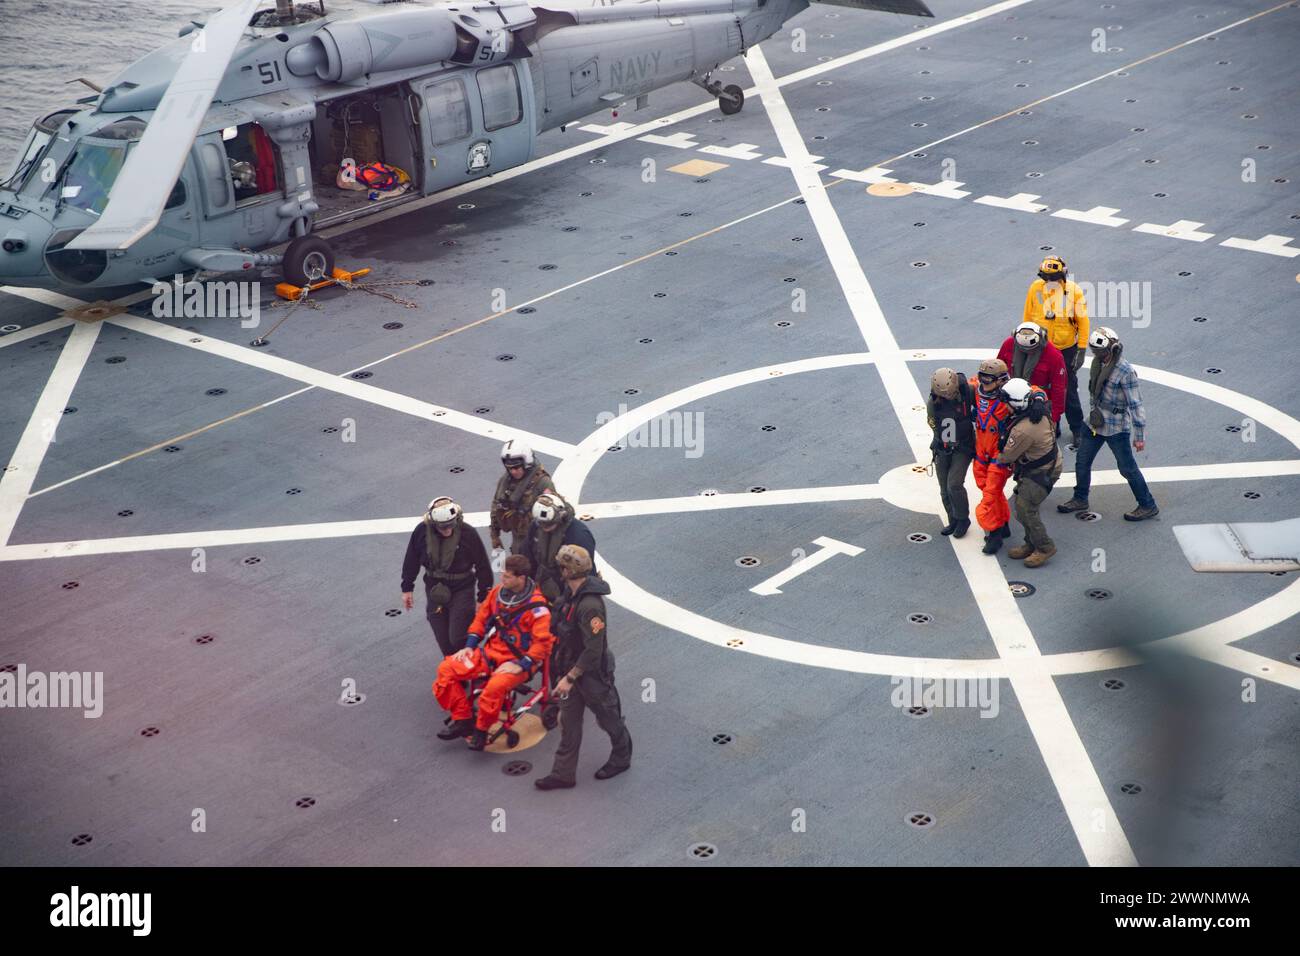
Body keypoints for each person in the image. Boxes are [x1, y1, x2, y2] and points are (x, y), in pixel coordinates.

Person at [535, 545, 633, 790]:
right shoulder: (570, 594)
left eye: (561, 567)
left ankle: (622, 757)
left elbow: (593, 650)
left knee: (609, 719)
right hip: (571, 669)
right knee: (568, 723)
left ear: (569, 570)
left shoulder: (590, 606)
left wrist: (570, 677)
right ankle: (563, 773)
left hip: (591, 675)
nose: (559, 570)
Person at [432, 554, 554, 751]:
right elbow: (481, 619)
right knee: (447, 669)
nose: (502, 580)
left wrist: (520, 665)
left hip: (520, 662)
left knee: (494, 688)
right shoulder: (498, 594)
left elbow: (543, 645)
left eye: (507, 577)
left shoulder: (538, 609)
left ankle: (481, 730)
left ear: (521, 578)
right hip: (490, 655)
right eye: (503, 575)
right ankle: (463, 719)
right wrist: (469, 646)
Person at [1057, 326, 1159, 521]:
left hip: (1116, 427)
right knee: (1082, 462)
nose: (1098, 355)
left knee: (1127, 469)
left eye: (1102, 351)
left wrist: (1139, 437)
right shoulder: (1099, 363)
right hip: (1095, 423)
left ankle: (1148, 504)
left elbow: (1136, 404)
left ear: (1112, 348)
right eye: (1095, 351)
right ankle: (1080, 498)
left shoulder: (1125, 371)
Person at [401, 496, 493, 657]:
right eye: (443, 527)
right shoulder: (421, 532)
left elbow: (482, 565)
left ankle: (471, 664)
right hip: (435, 590)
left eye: (450, 525)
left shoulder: (468, 534)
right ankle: (455, 674)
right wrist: (407, 588)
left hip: (462, 590)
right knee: (443, 640)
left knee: (458, 638)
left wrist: (482, 597)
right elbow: (412, 559)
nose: (447, 530)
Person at [1023, 255, 1090, 447]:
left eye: (1054, 278)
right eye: (1047, 278)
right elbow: (1027, 316)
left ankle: (1077, 428)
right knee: (1042, 388)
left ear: (1063, 276)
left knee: (1068, 391)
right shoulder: (1035, 288)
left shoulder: (1074, 292)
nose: (1050, 282)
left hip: (1065, 349)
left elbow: (1083, 322)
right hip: (1040, 349)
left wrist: (1082, 349)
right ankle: (1052, 425)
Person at [998, 378, 1063, 568]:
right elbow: (1039, 392)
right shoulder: (1038, 408)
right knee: (1021, 504)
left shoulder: (1023, 430)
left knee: (1026, 509)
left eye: (1007, 403)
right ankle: (1030, 543)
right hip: (1045, 465)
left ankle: (1044, 547)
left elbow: (1007, 456)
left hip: (1040, 472)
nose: (1005, 407)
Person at [971, 358, 1014, 554]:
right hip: (981, 450)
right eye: (982, 377)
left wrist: (1038, 400)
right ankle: (1004, 523)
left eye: (988, 379)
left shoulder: (1010, 394)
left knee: (990, 493)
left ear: (1001, 380)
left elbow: (1035, 391)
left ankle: (994, 533)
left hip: (1000, 454)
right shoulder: (978, 391)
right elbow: (964, 382)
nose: (984, 382)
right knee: (986, 487)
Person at [524, 492, 597, 604]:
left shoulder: (579, 535)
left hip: (569, 593)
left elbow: (585, 572)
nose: (545, 528)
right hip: (543, 588)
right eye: (542, 525)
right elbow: (528, 556)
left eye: (548, 524)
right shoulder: (536, 527)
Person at [926, 368, 974, 538]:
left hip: (963, 446)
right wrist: (940, 441)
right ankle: (952, 519)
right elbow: (932, 422)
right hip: (943, 446)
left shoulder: (968, 392)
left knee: (954, 484)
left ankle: (962, 519)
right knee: (944, 489)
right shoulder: (934, 402)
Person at [489, 440, 556, 557]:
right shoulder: (505, 482)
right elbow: (496, 506)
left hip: (538, 542)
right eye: (509, 468)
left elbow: (553, 515)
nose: (513, 471)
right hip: (517, 540)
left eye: (516, 467)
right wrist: (495, 535)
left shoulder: (543, 483)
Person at [998, 322, 1067, 428]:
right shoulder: (1008, 344)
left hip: (1038, 405)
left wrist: (1054, 417)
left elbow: (1059, 388)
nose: (1028, 352)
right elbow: (999, 369)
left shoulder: (1054, 356)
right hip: (1010, 402)